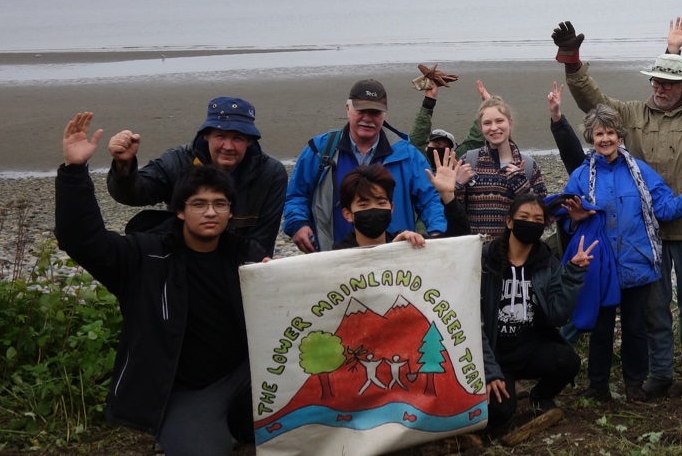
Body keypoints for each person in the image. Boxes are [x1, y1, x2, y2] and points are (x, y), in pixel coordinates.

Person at [57, 112, 268, 455]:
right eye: (198, 204)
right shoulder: (143, 258)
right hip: (186, 391)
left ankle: (245, 427)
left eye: (220, 204)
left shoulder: (246, 255)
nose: (211, 212)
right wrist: (74, 171)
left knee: (306, 426)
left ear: (231, 211)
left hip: (246, 376)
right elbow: (81, 239)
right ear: (180, 211)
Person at [556, 17, 682, 397]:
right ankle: (660, 374)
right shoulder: (632, 114)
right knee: (653, 309)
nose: (659, 88)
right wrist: (572, 62)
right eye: (655, 81)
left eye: (668, 83)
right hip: (646, 231)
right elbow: (593, 102)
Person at [561, 106, 682, 402]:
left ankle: (634, 385)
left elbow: (664, 209)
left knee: (635, 328)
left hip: (636, 263)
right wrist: (573, 218)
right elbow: (564, 218)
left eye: (610, 132)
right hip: (598, 265)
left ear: (620, 135)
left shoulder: (640, 171)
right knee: (600, 329)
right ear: (591, 136)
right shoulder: (579, 176)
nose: (605, 139)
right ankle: (598, 385)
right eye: (599, 133)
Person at [283, 79, 448, 253]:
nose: (367, 119)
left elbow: (430, 200)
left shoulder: (407, 155)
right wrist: (297, 223)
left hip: (395, 258)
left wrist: (436, 234)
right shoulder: (320, 151)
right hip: (333, 256)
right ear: (348, 109)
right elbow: (296, 195)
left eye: (375, 112)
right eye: (361, 110)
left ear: (384, 114)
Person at [106, 96, 287, 252]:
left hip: (239, 256)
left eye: (237, 138)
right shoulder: (177, 161)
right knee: (143, 226)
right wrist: (124, 165)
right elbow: (133, 194)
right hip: (186, 253)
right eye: (220, 136)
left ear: (249, 141)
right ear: (206, 135)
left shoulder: (271, 173)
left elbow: (262, 240)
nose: (228, 147)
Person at [480, 194, 590, 430]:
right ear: (509, 222)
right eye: (524, 217)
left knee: (568, 360)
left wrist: (573, 274)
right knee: (498, 413)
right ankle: (498, 386)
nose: (530, 222)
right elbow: (473, 321)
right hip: (493, 352)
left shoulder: (547, 263)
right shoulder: (485, 260)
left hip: (527, 347)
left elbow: (558, 315)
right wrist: (489, 370)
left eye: (537, 219)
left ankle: (540, 397)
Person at [455, 94, 547, 238]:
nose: (494, 128)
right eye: (487, 123)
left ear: (510, 123)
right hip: (476, 252)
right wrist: (458, 185)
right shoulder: (468, 160)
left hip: (514, 252)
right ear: (480, 127)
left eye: (499, 121)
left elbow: (544, 216)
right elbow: (453, 214)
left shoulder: (528, 165)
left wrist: (522, 186)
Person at [328, 164, 446, 250]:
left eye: (381, 203)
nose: (374, 209)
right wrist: (389, 253)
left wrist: (449, 197)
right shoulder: (337, 257)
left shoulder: (408, 244)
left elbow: (455, 244)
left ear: (391, 208)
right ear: (348, 214)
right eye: (364, 205)